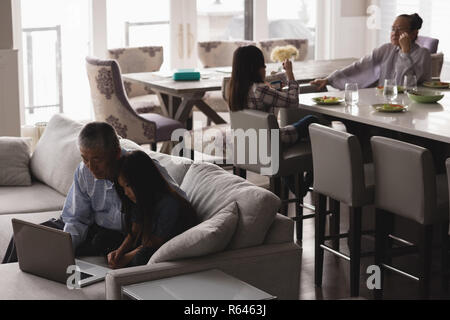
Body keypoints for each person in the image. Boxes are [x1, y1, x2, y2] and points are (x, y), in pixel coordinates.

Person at [2, 121, 183, 263]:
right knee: (22, 237)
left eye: (97, 159)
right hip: (90, 228)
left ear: (116, 152)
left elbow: (176, 200)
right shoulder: (84, 171)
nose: (90, 167)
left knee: (101, 241)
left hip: (121, 236)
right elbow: (76, 218)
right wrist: (65, 248)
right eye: (85, 158)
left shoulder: (139, 168)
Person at [228, 45, 320, 195]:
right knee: (313, 121)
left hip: (249, 144)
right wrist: (290, 74)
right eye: (263, 65)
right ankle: (305, 183)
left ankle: (294, 183)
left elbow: (264, 99)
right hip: (271, 142)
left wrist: (275, 86)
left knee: (301, 134)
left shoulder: (235, 87)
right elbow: (292, 101)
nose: (264, 69)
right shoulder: (260, 89)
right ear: (255, 67)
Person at [107, 150, 197, 268]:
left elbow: (155, 242)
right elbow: (134, 232)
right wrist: (119, 252)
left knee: (141, 256)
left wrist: (125, 258)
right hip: (148, 242)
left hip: (163, 246)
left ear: (142, 181)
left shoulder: (170, 205)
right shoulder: (140, 201)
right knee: (104, 239)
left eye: (128, 186)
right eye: (123, 188)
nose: (126, 193)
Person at [310, 13, 431, 91]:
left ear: (414, 33)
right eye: (393, 29)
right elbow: (360, 65)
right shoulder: (386, 49)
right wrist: (329, 79)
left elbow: (406, 86)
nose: (394, 33)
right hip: (383, 102)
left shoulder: (423, 54)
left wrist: (405, 53)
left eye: (400, 30)